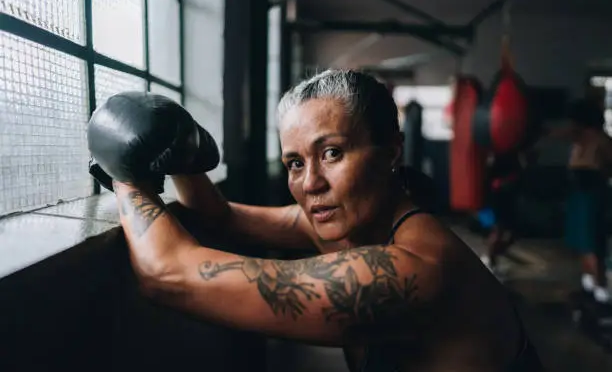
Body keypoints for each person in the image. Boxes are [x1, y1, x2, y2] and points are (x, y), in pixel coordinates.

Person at [88, 70, 544, 371]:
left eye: (332, 153)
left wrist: (125, 172)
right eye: (294, 163)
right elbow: (223, 218)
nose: (311, 184)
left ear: (391, 152)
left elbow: (167, 274)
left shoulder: (412, 269)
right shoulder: (347, 224)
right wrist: (184, 161)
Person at [543, 99, 612, 305]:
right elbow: (553, 133)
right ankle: (591, 282)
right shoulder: (579, 137)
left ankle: (600, 286)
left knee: (591, 241)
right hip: (579, 192)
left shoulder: (601, 140)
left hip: (592, 192)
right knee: (583, 240)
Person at [481, 151, 526, 279]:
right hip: (499, 194)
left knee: (510, 233)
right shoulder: (498, 153)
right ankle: (488, 260)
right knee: (498, 230)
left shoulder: (513, 153)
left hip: (508, 194)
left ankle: (491, 259)